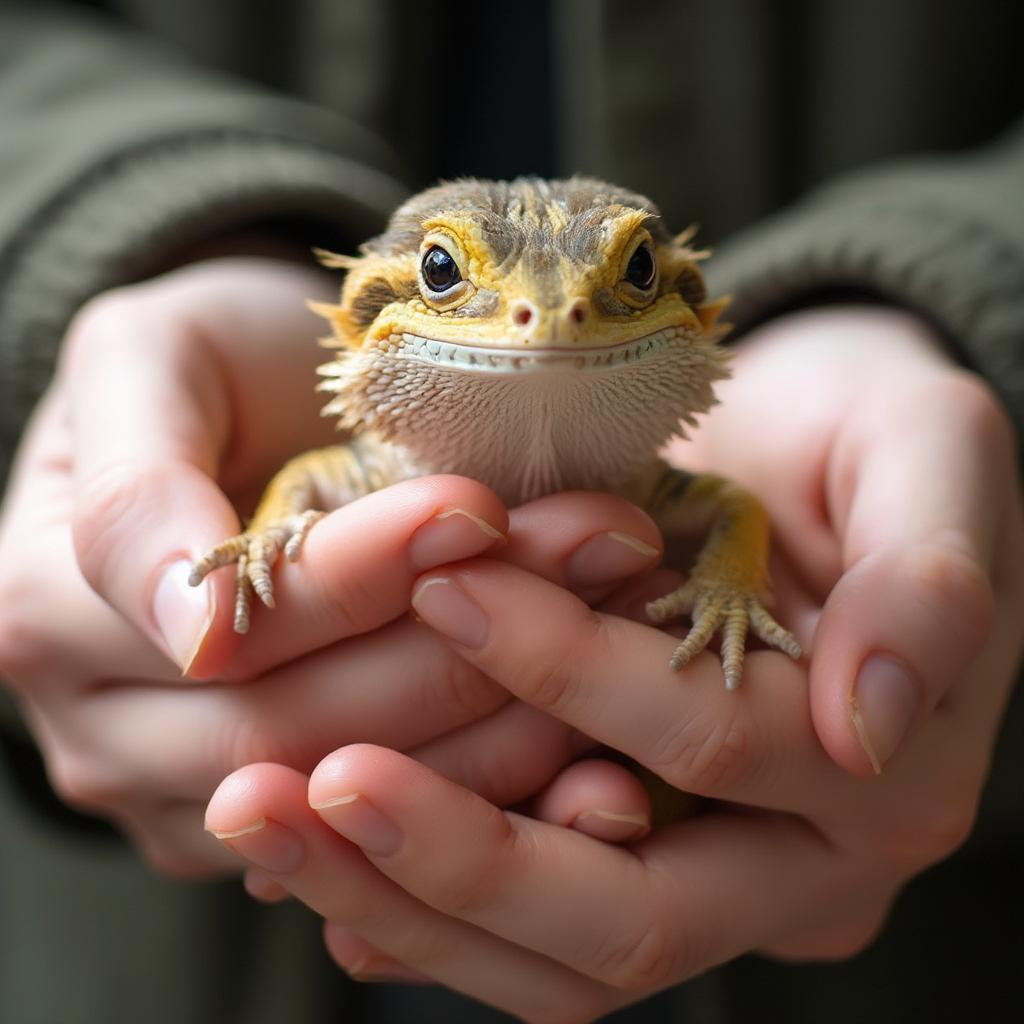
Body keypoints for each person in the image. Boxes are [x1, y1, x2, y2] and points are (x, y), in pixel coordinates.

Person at [0, 2, 1022, 1021]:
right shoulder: (362, 467)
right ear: (372, 313)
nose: (550, 315)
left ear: (693, 312)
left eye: (621, 277)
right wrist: (252, 539)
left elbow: (726, 509)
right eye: (446, 278)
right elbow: (306, 481)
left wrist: (729, 590)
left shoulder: (658, 490)